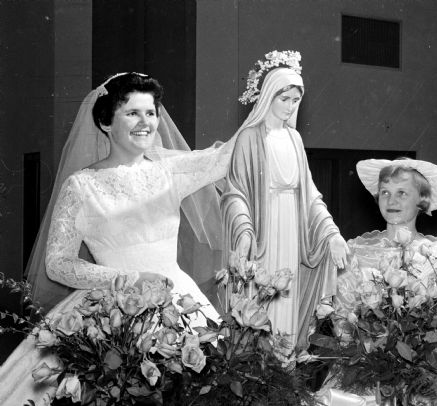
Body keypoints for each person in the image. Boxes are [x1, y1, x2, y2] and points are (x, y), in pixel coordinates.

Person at [0, 72, 234, 404]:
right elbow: (57, 264)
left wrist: (270, 105)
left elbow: (229, 158)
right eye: (132, 112)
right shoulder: (81, 186)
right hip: (108, 310)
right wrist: (128, 279)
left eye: (151, 112)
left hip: (179, 302)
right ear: (107, 122)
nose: (146, 122)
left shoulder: (171, 171)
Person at [221, 51, 348, 349]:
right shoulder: (249, 138)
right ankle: (262, 362)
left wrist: (331, 233)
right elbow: (235, 192)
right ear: (268, 96)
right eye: (284, 99)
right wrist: (244, 233)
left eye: (295, 100)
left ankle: (285, 361)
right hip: (263, 232)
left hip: (293, 228)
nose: (290, 106)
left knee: (287, 299)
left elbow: (311, 195)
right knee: (263, 299)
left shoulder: (295, 139)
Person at [335, 157, 437, 316]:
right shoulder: (355, 251)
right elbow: (342, 315)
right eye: (385, 192)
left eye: (402, 193)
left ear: (422, 198)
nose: (391, 201)